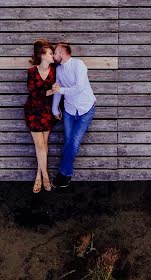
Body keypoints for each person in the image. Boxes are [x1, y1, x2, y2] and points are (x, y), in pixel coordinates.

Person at [46, 41, 96, 189]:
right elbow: (57, 90)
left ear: (62, 53)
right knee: (68, 142)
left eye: (55, 53)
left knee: (74, 142)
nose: (54, 55)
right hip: (69, 110)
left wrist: (61, 90)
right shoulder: (59, 70)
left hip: (85, 110)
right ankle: (66, 175)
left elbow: (79, 88)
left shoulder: (78, 65)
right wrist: (55, 109)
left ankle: (63, 174)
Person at [24, 39, 59, 193]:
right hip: (33, 110)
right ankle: (45, 176)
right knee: (39, 145)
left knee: (44, 144)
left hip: (47, 111)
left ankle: (38, 175)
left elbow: (60, 92)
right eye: (51, 53)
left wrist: (57, 108)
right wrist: (52, 91)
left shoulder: (55, 71)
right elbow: (34, 93)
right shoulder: (32, 71)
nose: (53, 56)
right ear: (42, 55)